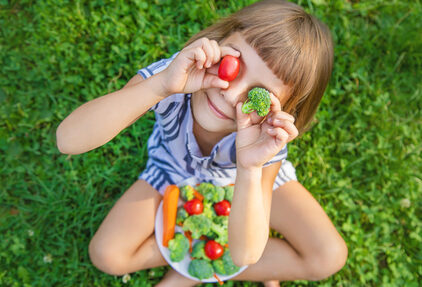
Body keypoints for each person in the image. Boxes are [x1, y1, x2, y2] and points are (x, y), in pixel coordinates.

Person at [56, 0, 347, 286]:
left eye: (258, 96)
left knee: (329, 256)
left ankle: (189, 270)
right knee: (107, 254)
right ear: (218, 40)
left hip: (242, 179)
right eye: (233, 65)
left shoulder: (264, 139)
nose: (230, 95)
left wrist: (249, 167)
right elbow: (67, 139)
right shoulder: (173, 76)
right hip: (171, 169)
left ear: (281, 112)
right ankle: (194, 256)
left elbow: (245, 253)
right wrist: (159, 86)